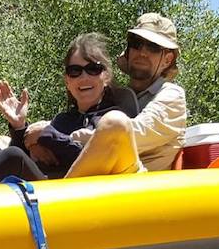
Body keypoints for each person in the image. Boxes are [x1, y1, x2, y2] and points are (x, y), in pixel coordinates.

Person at [0, 33, 139, 186]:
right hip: (46, 187)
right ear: (67, 81)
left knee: (13, 157)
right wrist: (20, 127)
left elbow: (90, 156)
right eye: (75, 71)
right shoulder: (63, 120)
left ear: (106, 76)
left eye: (93, 69)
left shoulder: (111, 119)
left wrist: (48, 135)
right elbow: (33, 158)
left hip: (69, 199)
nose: (83, 77)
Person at [65, 13, 186, 178]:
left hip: (142, 190)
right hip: (108, 182)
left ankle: (56, 200)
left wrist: (84, 138)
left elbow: (131, 133)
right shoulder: (119, 96)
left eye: (153, 47)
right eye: (137, 44)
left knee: (115, 123)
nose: (142, 52)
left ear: (167, 59)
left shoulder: (171, 96)